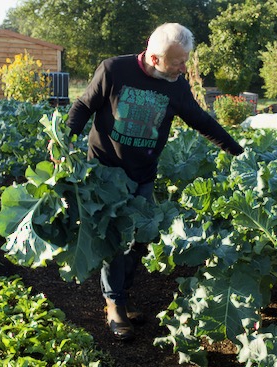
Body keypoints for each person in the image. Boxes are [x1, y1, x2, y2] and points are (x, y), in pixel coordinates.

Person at [66, 22, 244, 341]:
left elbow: (200, 120)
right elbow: (82, 106)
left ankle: (122, 292)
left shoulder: (175, 84)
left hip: (143, 175)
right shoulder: (113, 70)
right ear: (155, 58)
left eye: (185, 60)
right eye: (178, 61)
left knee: (142, 239)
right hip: (105, 174)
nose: (184, 67)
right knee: (115, 243)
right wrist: (64, 140)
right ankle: (114, 306)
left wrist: (237, 151)